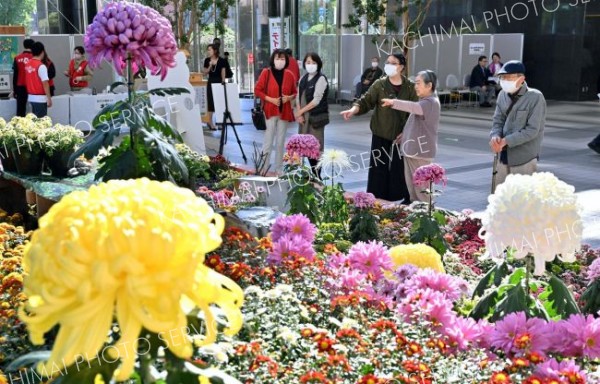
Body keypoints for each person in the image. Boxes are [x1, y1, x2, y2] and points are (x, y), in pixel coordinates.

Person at [340, 52, 418, 203]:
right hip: (380, 132)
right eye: (387, 62)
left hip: (400, 137)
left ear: (401, 67)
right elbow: (365, 101)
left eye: (393, 63)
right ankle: (375, 200)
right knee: (378, 169)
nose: (388, 65)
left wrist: (407, 132)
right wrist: (353, 110)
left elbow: (415, 112)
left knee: (399, 169)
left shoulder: (410, 87)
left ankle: (397, 200)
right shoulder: (380, 84)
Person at [381, 70, 441, 202]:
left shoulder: (430, 102)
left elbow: (413, 107)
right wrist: (404, 136)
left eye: (418, 83)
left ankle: (428, 218)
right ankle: (418, 218)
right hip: (413, 152)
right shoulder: (424, 101)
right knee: (413, 191)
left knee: (422, 192)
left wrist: (394, 102)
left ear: (429, 85)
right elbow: (415, 123)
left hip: (420, 153)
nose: (415, 86)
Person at [489, 60, 546, 188]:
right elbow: (497, 120)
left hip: (524, 158)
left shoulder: (535, 97)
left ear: (521, 79)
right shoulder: (502, 95)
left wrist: (506, 141)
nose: (504, 80)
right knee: (499, 197)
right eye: (502, 77)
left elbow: (532, 130)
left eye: (509, 77)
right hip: (502, 156)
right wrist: (495, 136)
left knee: (522, 200)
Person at [254, 49, 297, 174]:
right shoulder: (266, 73)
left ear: (286, 60)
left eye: (282, 59)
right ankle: (263, 167)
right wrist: (271, 100)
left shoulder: (289, 75)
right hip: (270, 111)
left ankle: (279, 168)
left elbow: (294, 92)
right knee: (268, 141)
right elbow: (258, 90)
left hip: (284, 113)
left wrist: (288, 98)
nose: (280, 61)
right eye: (277, 58)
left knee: (280, 142)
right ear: (273, 60)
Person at [295, 52, 330, 177]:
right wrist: (299, 114)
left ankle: (317, 174)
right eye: (308, 62)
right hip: (304, 117)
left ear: (318, 64)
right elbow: (298, 97)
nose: (310, 65)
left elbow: (316, 101)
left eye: (313, 62)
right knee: (304, 145)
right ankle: (308, 173)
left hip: (315, 118)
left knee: (315, 146)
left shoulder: (321, 78)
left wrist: (300, 111)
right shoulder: (303, 78)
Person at [202, 43, 227, 130]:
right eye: (208, 50)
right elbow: (204, 73)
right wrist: (210, 65)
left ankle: (220, 122)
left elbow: (223, 71)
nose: (208, 51)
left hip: (219, 82)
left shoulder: (222, 60)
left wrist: (223, 81)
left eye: (210, 50)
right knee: (211, 102)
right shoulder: (206, 60)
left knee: (220, 102)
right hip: (211, 82)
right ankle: (210, 122)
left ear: (215, 51)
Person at [24, 42, 52, 118]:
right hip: (40, 99)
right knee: (41, 123)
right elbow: (45, 83)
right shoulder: (41, 66)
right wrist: (49, 98)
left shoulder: (27, 64)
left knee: (32, 123)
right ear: (42, 52)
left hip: (30, 98)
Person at [12, 38, 34, 117]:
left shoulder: (17, 58)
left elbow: (15, 75)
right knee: (34, 108)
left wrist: (15, 90)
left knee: (20, 109)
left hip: (20, 87)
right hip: (33, 86)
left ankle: (20, 126)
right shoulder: (35, 58)